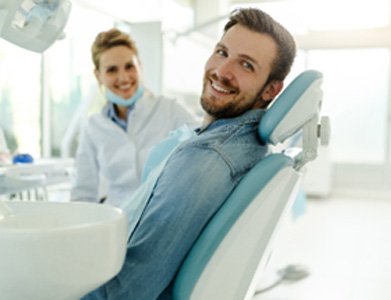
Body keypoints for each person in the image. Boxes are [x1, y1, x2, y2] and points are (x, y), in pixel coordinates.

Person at [82, 7, 296, 300]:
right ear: (98, 76)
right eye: (222, 52)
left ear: (271, 90)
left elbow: (128, 288)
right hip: (116, 233)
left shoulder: (207, 155)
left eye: (246, 65)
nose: (222, 71)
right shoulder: (232, 144)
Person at [70, 28, 198, 207]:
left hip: (161, 212)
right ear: (98, 76)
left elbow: (203, 147)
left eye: (129, 66)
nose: (123, 77)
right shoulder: (93, 127)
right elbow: (83, 192)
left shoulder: (171, 109)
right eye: (111, 70)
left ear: (140, 66)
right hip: (116, 221)